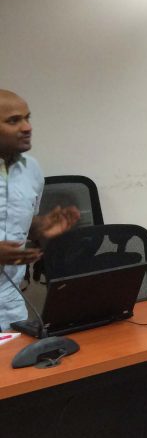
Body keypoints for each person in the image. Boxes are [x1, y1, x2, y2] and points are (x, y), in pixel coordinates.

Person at [0, 89, 79, 331]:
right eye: (14, 121)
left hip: (10, 306)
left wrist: (40, 227)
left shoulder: (31, 169)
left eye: (27, 118)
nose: (27, 127)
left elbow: (20, 225)